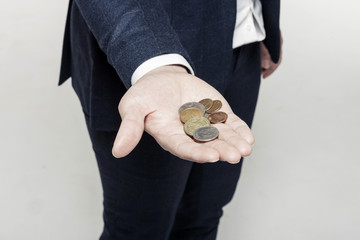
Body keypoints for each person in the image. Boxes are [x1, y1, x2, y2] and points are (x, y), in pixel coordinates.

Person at [59, 0, 282, 239]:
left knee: (203, 217)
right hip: (139, 63)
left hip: (245, 43)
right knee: (138, 229)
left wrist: (259, 17)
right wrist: (157, 64)